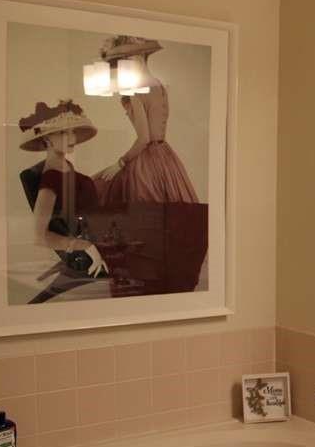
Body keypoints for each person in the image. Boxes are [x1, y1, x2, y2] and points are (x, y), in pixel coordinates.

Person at [18, 101, 109, 301]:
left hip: (104, 239)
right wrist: (85, 247)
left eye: (73, 131)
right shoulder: (50, 179)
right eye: (62, 133)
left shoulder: (70, 173)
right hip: (89, 253)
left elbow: (78, 202)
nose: (72, 138)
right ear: (46, 138)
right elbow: (39, 236)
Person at [94, 35, 199, 205]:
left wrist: (120, 163)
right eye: (121, 62)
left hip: (147, 162)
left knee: (102, 190)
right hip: (165, 157)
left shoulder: (137, 91)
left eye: (126, 59)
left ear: (140, 57)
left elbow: (144, 139)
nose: (122, 66)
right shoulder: (159, 85)